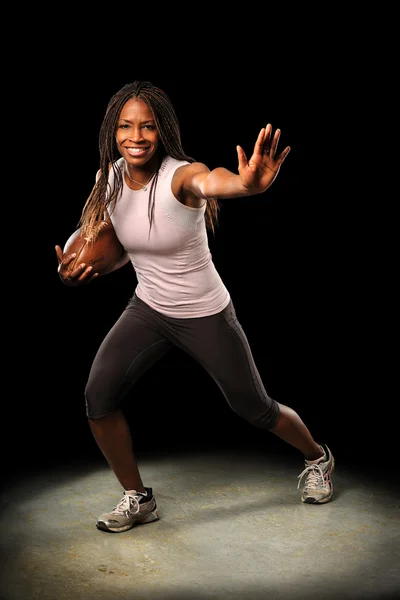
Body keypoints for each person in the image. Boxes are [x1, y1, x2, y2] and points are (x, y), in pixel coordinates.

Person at [55, 80, 334, 534]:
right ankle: (139, 499)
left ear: (162, 130)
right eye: (125, 126)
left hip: (204, 313)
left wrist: (247, 184)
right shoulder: (109, 179)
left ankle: (318, 458)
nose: (135, 137)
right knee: (97, 397)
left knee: (255, 408)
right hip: (148, 308)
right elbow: (118, 246)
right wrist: (73, 268)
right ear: (113, 130)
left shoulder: (182, 176)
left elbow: (214, 181)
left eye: (146, 127)